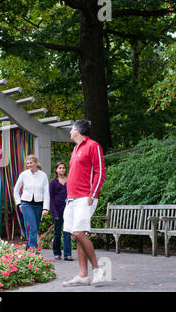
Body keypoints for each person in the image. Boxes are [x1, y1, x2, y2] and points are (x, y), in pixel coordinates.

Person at [62, 119, 107, 287]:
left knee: (80, 233)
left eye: (72, 130)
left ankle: (98, 269)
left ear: (78, 131)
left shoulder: (93, 145)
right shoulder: (75, 149)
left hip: (84, 197)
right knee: (77, 234)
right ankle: (83, 274)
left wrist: (93, 194)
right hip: (72, 198)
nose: (70, 133)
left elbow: (100, 171)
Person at [14, 154, 50, 251]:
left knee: (34, 228)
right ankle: (33, 249)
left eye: (31, 163)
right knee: (33, 227)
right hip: (26, 204)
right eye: (27, 163)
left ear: (36, 163)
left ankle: (28, 249)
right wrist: (18, 204)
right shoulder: (23, 174)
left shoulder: (43, 175)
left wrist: (46, 208)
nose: (29, 165)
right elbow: (16, 190)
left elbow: (46, 192)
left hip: (39, 204)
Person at [49, 161, 73, 261]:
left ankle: (67, 254)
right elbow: (51, 198)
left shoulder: (70, 180)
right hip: (57, 210)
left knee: (67, 231)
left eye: (63, 168)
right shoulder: (53, 182)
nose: (62, 169)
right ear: (56, 170)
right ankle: (57, 253)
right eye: (59, 168)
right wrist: (54, 212)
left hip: (68, 209)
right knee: (57, 232)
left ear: (65, 169)